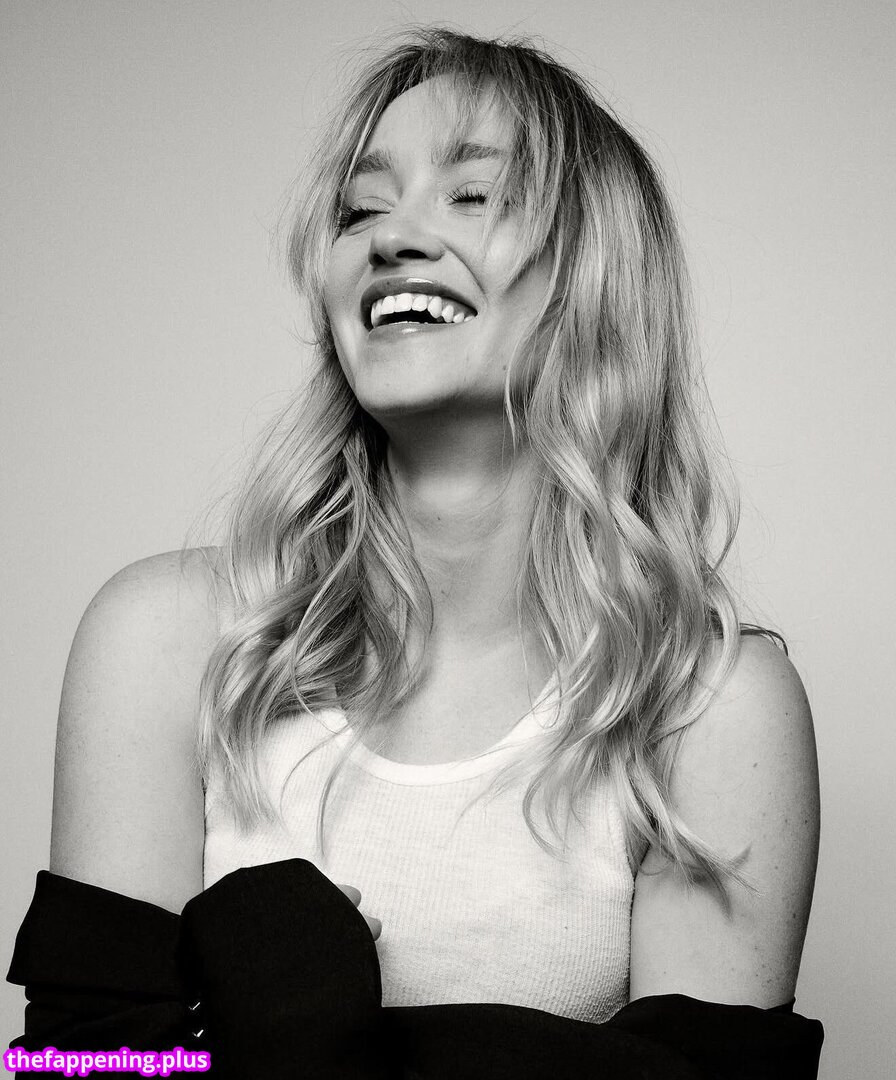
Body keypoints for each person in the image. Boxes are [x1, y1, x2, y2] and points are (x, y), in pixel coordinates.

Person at [10, 28, 822, 1077]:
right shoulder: (166, 640)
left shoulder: (705, 703)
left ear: (592, 276)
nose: (392, 236)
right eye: (361, 209)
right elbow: (77, 1075)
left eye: (471, 195)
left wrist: (300, 1052)